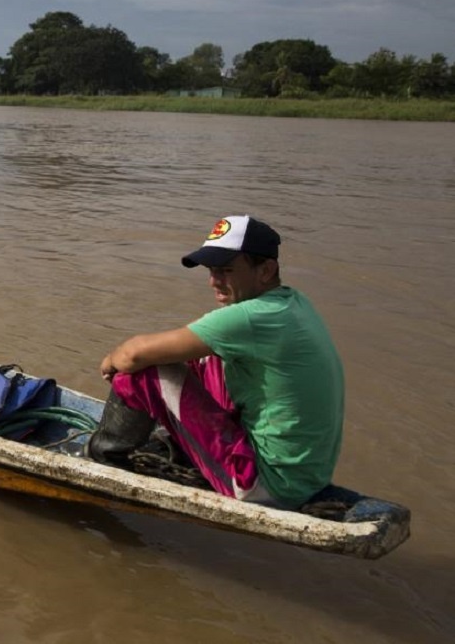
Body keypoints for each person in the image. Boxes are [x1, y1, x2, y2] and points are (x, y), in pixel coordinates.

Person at [88, 215, 344, 509]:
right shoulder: (292, 303)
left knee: (141, 373)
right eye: (211, 270)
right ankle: (183, 446)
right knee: (200, 355)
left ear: (266, 270)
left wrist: (111, 361)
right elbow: (195, 336)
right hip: (305, 479)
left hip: (264, 487)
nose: (213, 281)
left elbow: (134, 354)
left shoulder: (250, 318)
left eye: (225, 270)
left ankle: (102, 460)